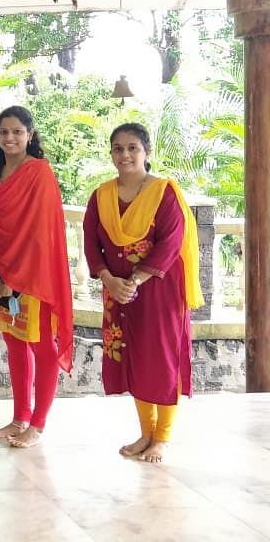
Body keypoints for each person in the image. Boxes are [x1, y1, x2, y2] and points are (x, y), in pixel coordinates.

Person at [82, 123, 202, 463]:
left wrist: (135, 280)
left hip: (159, 289)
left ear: (147, 152)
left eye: (132, 148)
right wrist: (108, 279)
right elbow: (90, 242)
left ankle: (162, 437)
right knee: (133, 357)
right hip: (118, 291)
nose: (125, 155)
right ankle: (145, 432)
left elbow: (171, 241)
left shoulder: (164, 192)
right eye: (118, 148)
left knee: (161, 359)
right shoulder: (102, 195)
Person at [0, 105, 73, 448]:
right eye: (4, 132)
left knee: (41, 346)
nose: (10, 138)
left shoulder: (39, 173)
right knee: (14, 343)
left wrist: (15, 280)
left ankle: (38, 423)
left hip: (33, 275)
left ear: (30, 135)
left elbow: (39, 232)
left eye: (17, 132)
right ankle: (19, 418)